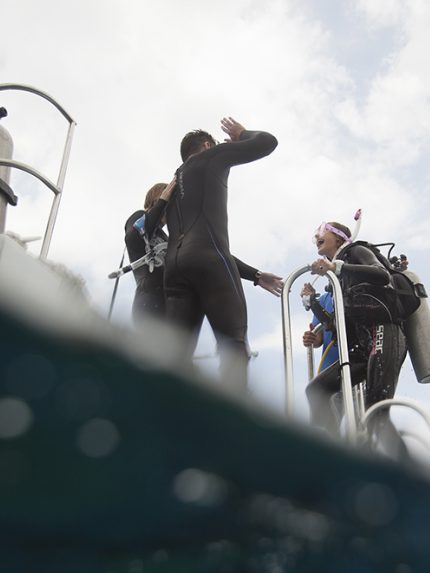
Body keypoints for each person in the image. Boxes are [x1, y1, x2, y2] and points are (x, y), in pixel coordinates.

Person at [162, 117, 283, 389]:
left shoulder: (171, 190)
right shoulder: (211, 157)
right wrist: (241, 134)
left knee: (176, 360)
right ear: (207, 145)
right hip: (210, 261)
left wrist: (255, 275)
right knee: (233, 347)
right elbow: (267, 142)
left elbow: (195, 248)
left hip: (175, 271)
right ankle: (234, 427)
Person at [304, 221, 409, 458]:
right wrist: (312, 303)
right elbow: (333, 324)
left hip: (386, 332)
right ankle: (338, 453)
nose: (316, 235)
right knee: (316, 390)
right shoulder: (338, 279)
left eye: (323, 231)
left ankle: (410, 470)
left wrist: (338, 267)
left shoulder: (357, 251)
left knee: (375, 414)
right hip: (363, 347)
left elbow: (382, 275)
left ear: (340, 238)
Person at [123, 179, 175, 326]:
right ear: (156, 200)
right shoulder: (139, 216)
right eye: (170, 203)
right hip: (148, 302)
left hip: (167, 306)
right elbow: (133, 237)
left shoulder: (168, 239)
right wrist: (164, 200)